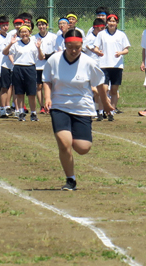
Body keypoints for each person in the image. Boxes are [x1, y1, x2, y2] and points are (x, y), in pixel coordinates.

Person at [42, 29, 111, 191]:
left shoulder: (89, 63)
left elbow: (100, 83)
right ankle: (70, 179)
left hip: (82, 108)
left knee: (82, 148)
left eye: (77, 47)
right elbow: (46, 80)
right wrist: (47, 98)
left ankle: (77, 133)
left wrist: (106, 103)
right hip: (59, 106)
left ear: (82, 46)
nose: (74, 51)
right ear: (65, 45)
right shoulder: (54, 60)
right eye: (70, 47)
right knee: (64, 144)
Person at [94, 13, 130, 115]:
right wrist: (98, 51)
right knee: (104, 89)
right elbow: (96, 47)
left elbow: (126, 49)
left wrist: (120, 53)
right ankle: (101, 111)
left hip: (117, 66)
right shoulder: (101, 34)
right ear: (107, 22)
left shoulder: (121, 35)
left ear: (117, 23)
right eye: (110, 21)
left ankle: (111, 112)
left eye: (114, 21)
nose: (111, 23)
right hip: (104, 65)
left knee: (114, 90)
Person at [3, 24, 38, 121]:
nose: (24, 34)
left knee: (31, 93)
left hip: (30, 68)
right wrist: (11, 43)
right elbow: (5, 52)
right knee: (19, 92)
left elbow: (40, 57)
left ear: (30, 32)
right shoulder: (16, 43)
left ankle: (33, 113)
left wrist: (39, 48)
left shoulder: (34, 43)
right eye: (21, 32)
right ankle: (21, 112)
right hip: (18, 68)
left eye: (26, 31)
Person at [34, 17, 57, 114]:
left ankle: (50, 105)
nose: (41, 26)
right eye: (39, 25)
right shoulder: (33, 38)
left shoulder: (53, 37)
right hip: (38, 66)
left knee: (49, 86)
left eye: (43, 24)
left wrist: (47, 56)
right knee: (38, 86)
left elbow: (56, 51)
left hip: (49, 65)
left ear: (47, 25)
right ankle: (42, 106)